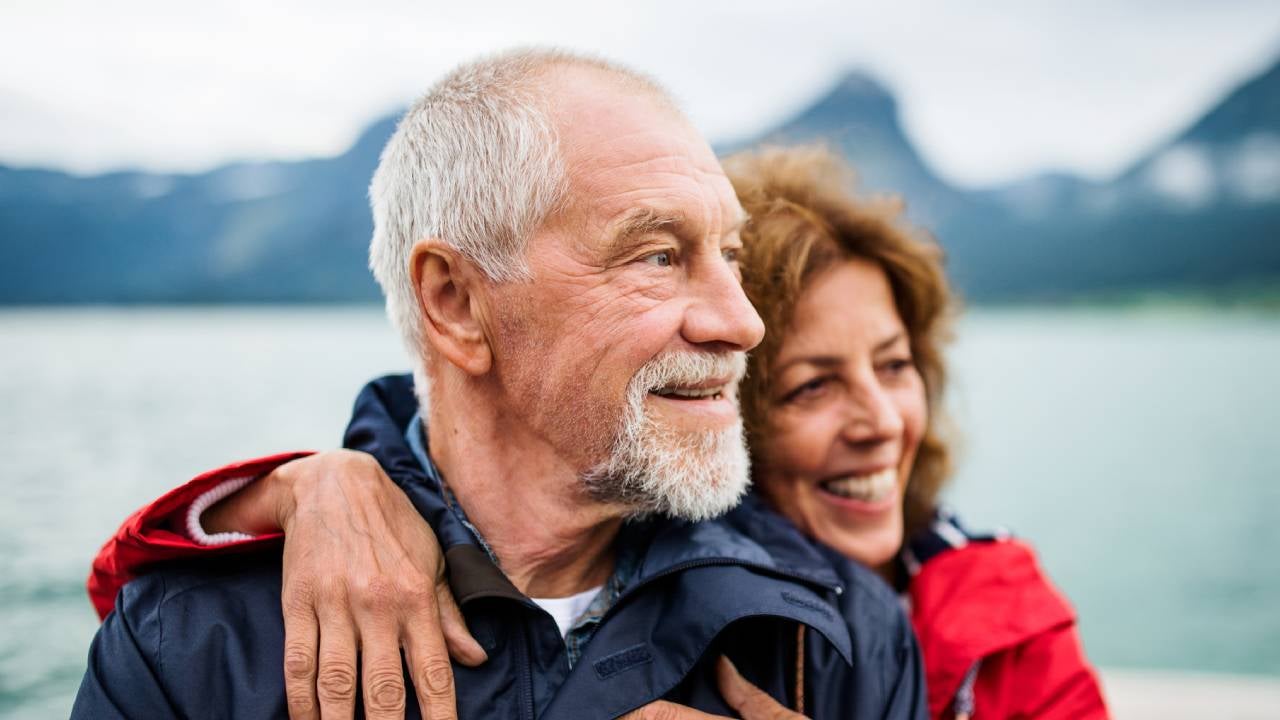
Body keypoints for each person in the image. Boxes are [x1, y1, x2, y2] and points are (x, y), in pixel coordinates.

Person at [73, 50, 926, 720]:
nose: (742, 322)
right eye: (659, 255)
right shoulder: (192, 643)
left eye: (730, 256)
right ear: (455, 301)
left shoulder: (843, 636)